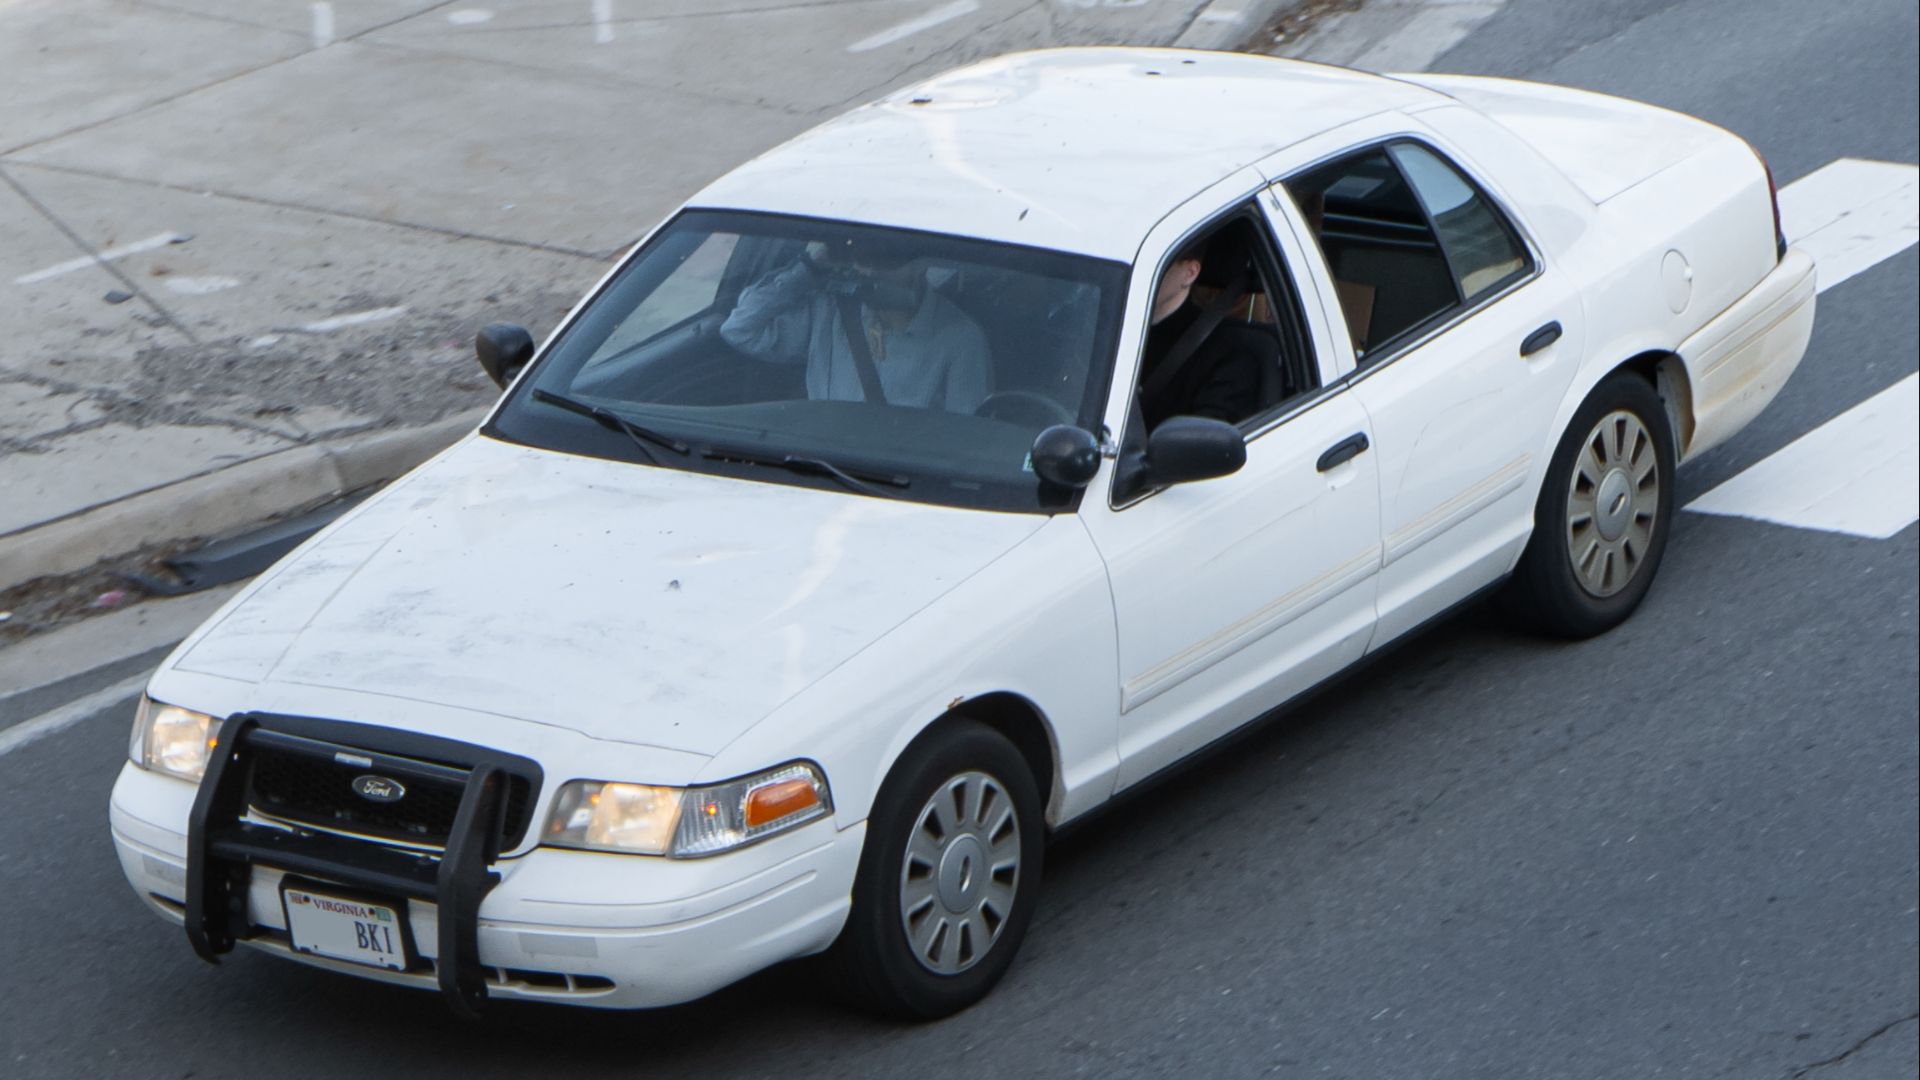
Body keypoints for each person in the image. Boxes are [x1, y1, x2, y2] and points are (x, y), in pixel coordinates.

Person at [719, 237, 991, 413]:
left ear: (922, 266)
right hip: (820, 466)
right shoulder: (830, 311)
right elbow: (740, 329)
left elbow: (967, 433)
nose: (873, 272)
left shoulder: (960, 339)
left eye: (887, 262)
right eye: (864, 261)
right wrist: (810, 267)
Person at [1136, 235, 1270, 430]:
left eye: (1155, 266)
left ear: (1190, 273)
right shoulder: (1099, 329)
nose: (1138, 275)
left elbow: (1205, 444)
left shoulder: (1228, 357)